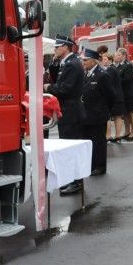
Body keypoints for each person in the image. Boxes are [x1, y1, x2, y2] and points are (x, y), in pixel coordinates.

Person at [45, 35, 85, 196]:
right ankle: (72, 180)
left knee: (71, 146)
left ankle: (76, 182)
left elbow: (64, 89)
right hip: (68, 109)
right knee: (68, 145)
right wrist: (54, 62)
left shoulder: (72, 64)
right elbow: (58, 78)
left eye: (57, 47)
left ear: (66, 47)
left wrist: (49, 88)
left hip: (72, 110)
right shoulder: (67, 63)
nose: (54, 49)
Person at [80, 48, 115, 177]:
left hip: (98, 115)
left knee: (98, 142)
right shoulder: (86, 74)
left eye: (85, 60)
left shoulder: (102, 75)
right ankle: (91, 165)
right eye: (83, 60)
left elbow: (111, 96)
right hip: (86, 114)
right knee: (88, 141)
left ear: (93, 61)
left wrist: (104, 110)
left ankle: (100, 166)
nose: (83, 62)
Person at [114, 49, 133, 140]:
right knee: (125, 113)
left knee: (132, 112)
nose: (118, 57)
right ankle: (127, 131)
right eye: (117, 55)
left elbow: (128, 79)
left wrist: (116, 81)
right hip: (122, 93)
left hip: (129, 93)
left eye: (119, 55)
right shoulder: (119, 66)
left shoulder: (128, 65)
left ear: (124, 55)